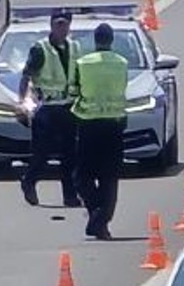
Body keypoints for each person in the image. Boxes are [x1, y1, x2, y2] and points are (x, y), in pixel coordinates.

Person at [68, 23, 130, 240]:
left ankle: (97, 213)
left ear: (95, 40)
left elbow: (73, 90)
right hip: (114, 124)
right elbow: (123, 88)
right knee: (109, 177)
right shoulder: (121, 63)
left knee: (81, 176)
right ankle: (101, 219)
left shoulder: (83, 63)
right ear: (111, 40)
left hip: (88, 124)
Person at [16, 10, 82, 208]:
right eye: (58, 24)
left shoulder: (75, 47)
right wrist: (21, 102)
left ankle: (70, 195)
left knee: (70, 155)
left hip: (68, 107)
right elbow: (26, 76)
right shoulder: (41, 49)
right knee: (42, 153)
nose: (62, 28)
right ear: (51, 25)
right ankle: (29, 180)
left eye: (65, 24)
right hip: (48, 108)